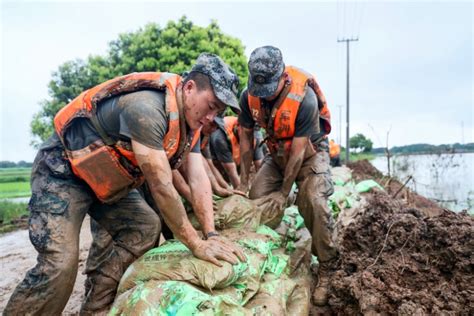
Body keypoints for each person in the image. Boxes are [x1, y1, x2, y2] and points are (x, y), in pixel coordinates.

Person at [4, 53, 246, 315]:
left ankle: (95, 307)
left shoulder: (192, 123)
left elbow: (198, 178)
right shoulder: (146, 109)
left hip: (106, 180)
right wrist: (196, 244)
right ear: (189, 88)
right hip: (63, 171)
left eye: (219, 112)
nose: (213, 117)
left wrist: (210, 234)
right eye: (211, 106)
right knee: (60, 264)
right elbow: (162, 187)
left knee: (144, 227)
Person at [237, 46, 338, 306]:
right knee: (257, 198)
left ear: (283, 77)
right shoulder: (248, 97)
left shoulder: (304, 98)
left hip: (309, 154)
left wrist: (284, 192)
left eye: (270, 87)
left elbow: (298, 150)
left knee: (314, 200)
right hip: (276, 154)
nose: (265, 95)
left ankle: (327, 265)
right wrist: (243, 182)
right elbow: (246, 138)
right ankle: (270, 244)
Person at [209, 115, 265, 188]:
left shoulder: (256, 136)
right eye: (247, 134)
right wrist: (241, 191)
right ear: (238, 126)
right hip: (218, 165)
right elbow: (231, 171)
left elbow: (260, 165)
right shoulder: (221, 136)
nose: (249, 138)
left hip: (237, 162)